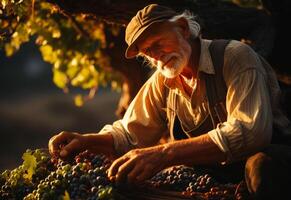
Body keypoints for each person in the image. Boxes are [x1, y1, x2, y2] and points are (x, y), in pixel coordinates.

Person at [48, 4, 291, 199]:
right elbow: (129, 135)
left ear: (183, 29)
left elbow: (250, 132)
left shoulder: (234, 57)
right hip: (219, 177)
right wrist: (88, 141)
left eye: (157, 43)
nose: (155, 56)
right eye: (147, 52)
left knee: (262, 167)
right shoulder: (163, 82)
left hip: (275, 164)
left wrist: (165, 153)